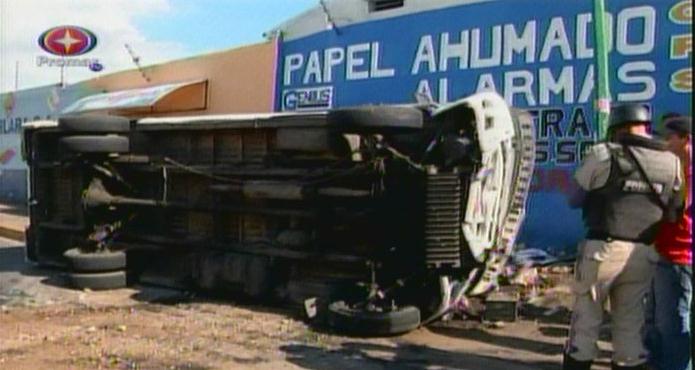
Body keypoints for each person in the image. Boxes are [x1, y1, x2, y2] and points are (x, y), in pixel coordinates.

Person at [563, 104, 683, 370]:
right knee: (630, 321)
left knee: (586, 318)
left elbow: (574, 199)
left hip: (602, 250)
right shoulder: (671, 162)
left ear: (616, 128)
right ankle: (629, 362)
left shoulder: (604, 154)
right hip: (643, 253)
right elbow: (675, 210)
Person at [647, 115, 692, 370]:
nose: (664, 143)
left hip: (679, 254)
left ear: (685, 139)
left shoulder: (689, 171)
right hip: (666, 252)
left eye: (669, 137)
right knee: (659, 318)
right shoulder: (679, 167)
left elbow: (678, 210)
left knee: (674, 322)